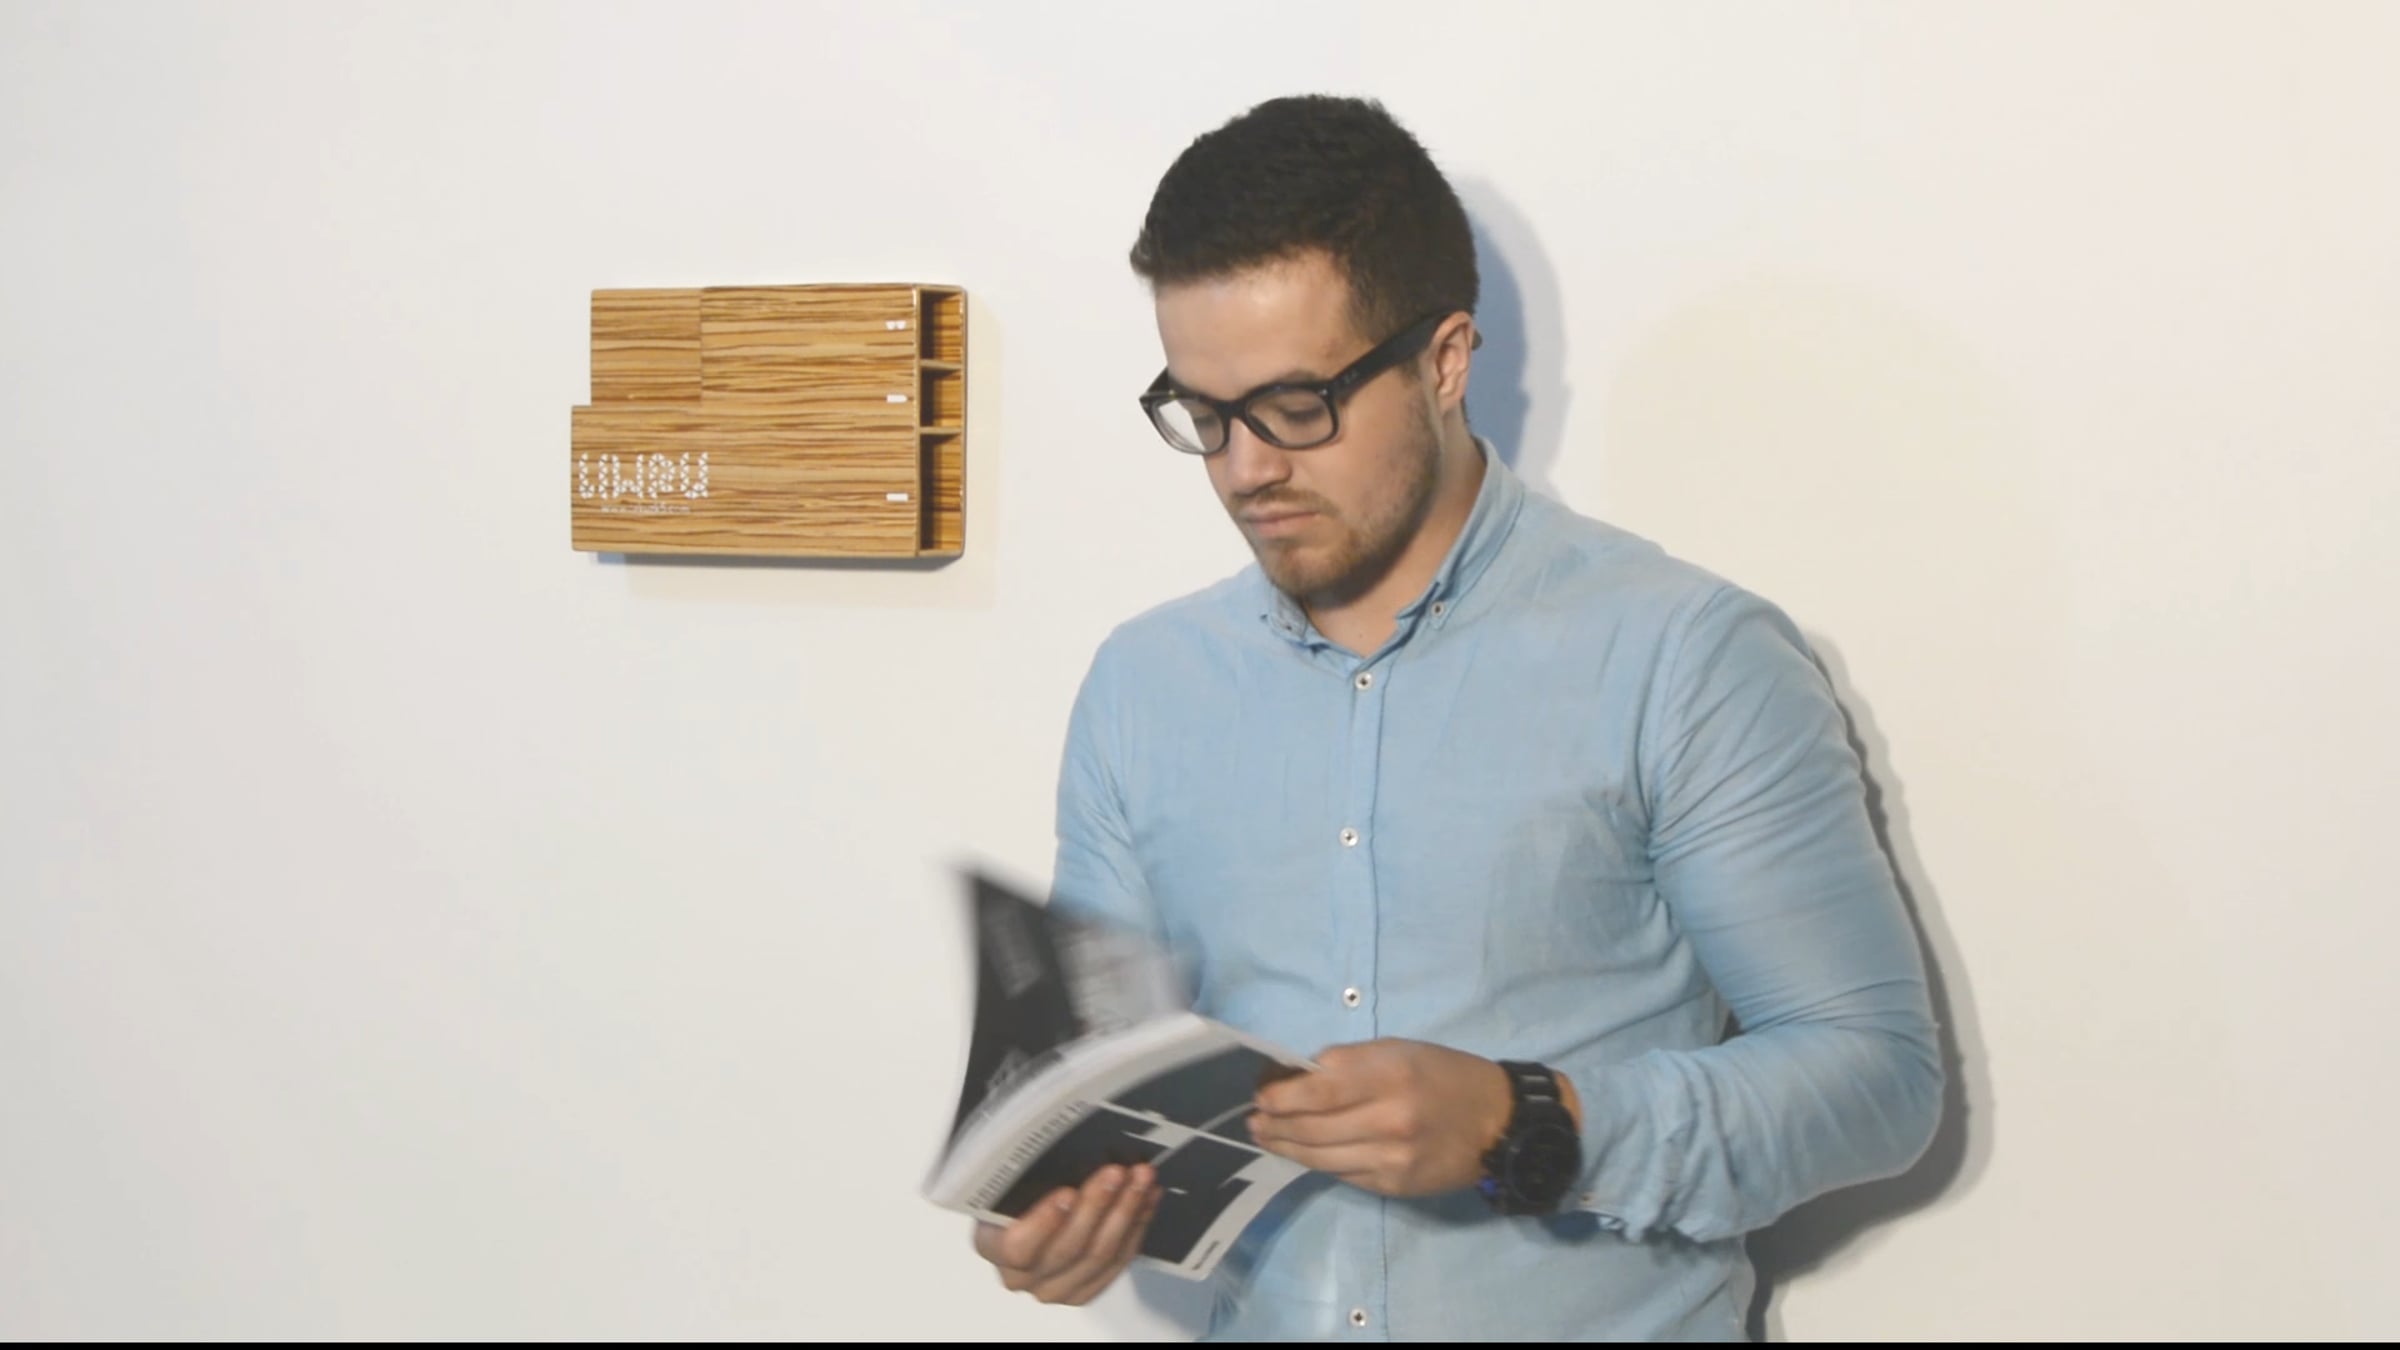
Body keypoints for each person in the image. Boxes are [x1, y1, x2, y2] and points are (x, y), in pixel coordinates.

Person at [970, 93, 1943, 1341]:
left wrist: (1529, 1122)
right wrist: (1053, 1204)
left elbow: (1873, 1077)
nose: (1247, 468)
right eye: (1204, 416)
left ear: (1444, 361)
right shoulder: (1144, 688)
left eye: (1297, 406)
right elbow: (1092, 1090)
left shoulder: (1682, 657)